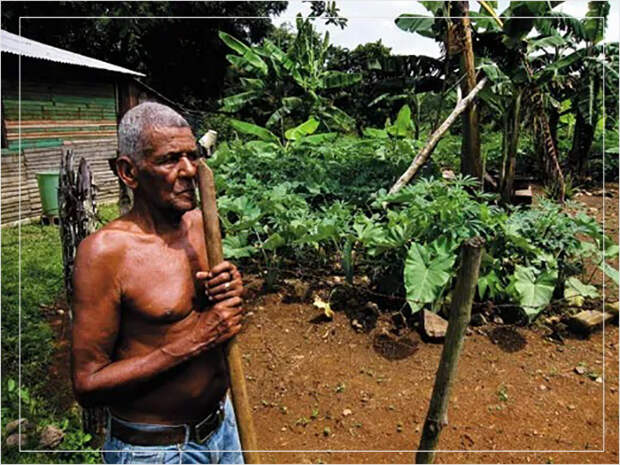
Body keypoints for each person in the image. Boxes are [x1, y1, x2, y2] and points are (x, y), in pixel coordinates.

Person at [71, 102, 245, 464]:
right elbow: (87, 384)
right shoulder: (105, 253)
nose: (189, 171)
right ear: (128, 172)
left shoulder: (201, 223)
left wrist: (229, 289)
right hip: (156, 450)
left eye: (192, 156)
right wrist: (196, 339)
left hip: (223, 430)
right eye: (169, 160)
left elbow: (217, 317)